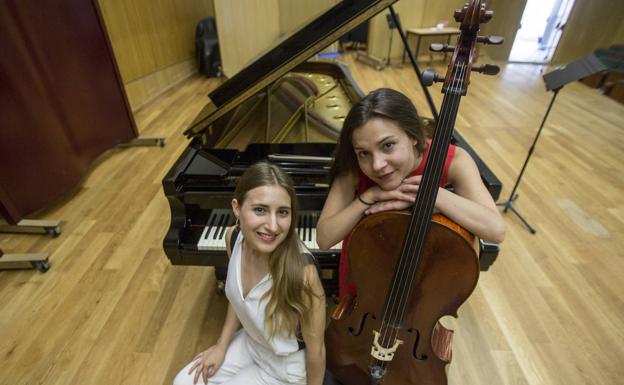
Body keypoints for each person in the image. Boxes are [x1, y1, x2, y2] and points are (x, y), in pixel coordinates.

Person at [316, 88, 505, 298]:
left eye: (388, 145)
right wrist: (368, 197)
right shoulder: (354, 167)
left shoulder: (454, 160)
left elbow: (495, 230)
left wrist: (433, 194)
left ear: (414, 136)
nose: (377, 165)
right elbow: (324, 239)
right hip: (365, 271)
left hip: (423, 280)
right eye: (364, 153)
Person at [173, 162, 326, 385]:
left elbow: (317, 350)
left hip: (285, 367)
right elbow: (238, 299)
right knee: (182, 382)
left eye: (282, 212)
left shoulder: (305, 275)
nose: (273, 226)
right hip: (252, 343)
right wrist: (221, 345)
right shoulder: (233, 238)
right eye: (260, 210)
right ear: (236, 208)